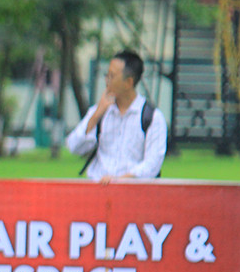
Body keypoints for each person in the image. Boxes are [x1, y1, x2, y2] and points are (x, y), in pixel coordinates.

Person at [66, 49, 167, 183]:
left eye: (111, 76)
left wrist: (118, 181)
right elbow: (73, 147)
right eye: (106, 75)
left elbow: (152, 165)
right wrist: (96, 116)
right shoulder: (100, 111)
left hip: (133, 194)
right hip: (98, 193)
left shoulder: (152, 117)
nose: (106, 81)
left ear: (129, 82)